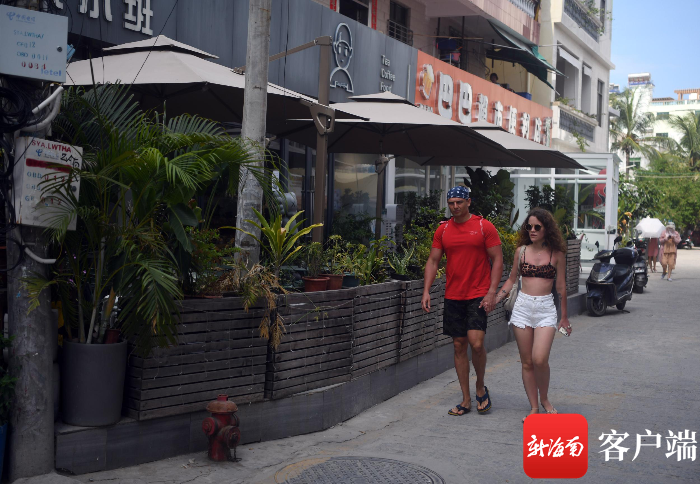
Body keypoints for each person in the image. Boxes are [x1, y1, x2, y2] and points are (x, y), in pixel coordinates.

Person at [421, 186, 504, 416]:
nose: (455, 206)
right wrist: (426, 290)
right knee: (458, 345)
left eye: (459, 202)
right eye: (451, 203)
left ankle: (480, 386)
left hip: (478, 293)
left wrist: (492, 292)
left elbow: (498, 259)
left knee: (476, 343)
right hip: (453, 295)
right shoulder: (444, 230)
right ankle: (466, 399)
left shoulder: (484, 226)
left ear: (468, 202)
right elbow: (433, 261)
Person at [494, 208, 571, 423]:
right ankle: (534, 407)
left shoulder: (557, 254)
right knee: (527, 362)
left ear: (547, 229)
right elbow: (512, 279)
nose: (532, 230)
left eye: (537, 226)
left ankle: (544, 398)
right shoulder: (521, 251)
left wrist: (564, 317)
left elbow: (561, 288)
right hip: (522, 308)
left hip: (546, 309)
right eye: (529, 226)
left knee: (540, 359)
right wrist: (495, 298)